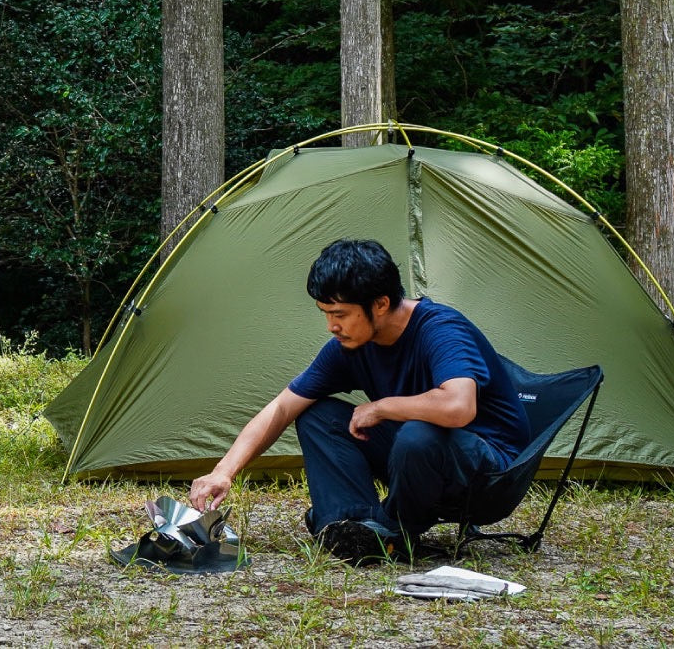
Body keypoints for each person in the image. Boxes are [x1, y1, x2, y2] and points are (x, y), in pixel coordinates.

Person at [187, 238, 530, 563]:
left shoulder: (440, 329)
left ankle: (393, 529)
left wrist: (380, 407)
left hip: (490, 479)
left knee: (418, 433)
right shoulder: (350, 346)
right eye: (326, 313)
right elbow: (282, 407)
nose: (331, 326)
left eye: (340, 314)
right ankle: (354, 526)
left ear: (380, 304)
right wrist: (223, 471)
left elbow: (458, 407)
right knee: (318, 414)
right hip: (416, 461)